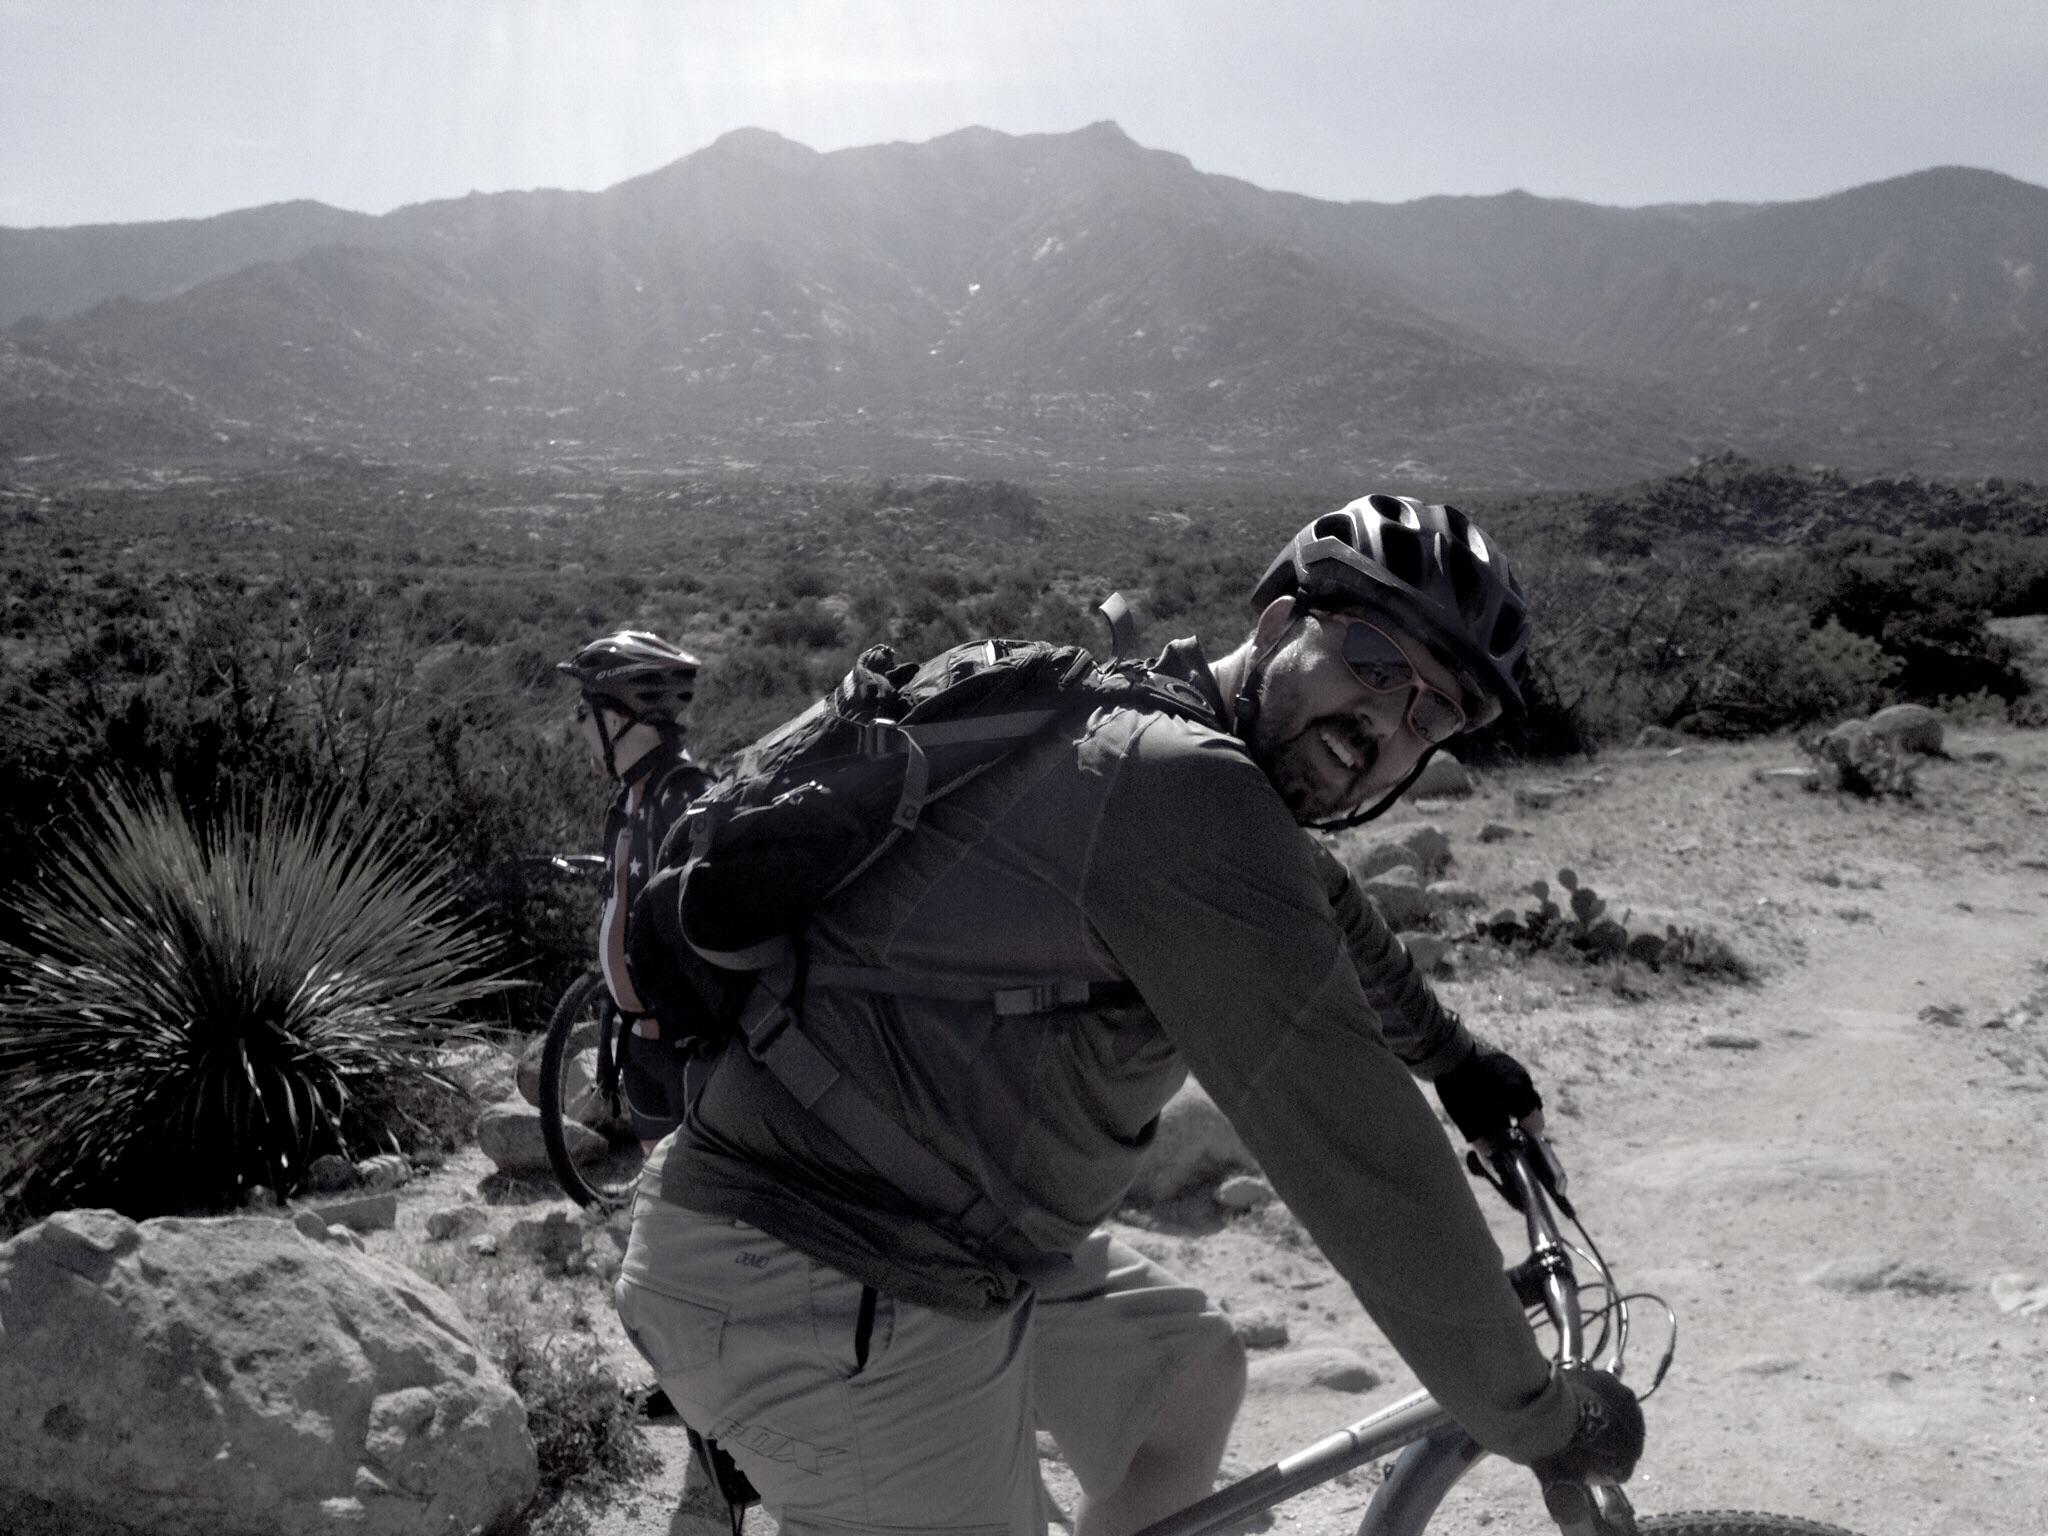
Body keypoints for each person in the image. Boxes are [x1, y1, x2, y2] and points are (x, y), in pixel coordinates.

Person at [615, 494, 1644, 1536]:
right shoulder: (1178, 788)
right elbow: (1360, 1155)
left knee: (1181, 1376)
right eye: (1372, 659)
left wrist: (1456, 1061)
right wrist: (1535, 1418)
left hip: (915, 1232)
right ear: (1281, 627)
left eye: (1434, 712)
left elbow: (1320, 902)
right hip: (812, 1265)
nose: (1387, 718)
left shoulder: (1178, 741)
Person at [557, 629, 714, 1150]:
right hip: (642, 1046)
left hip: (693, 1052)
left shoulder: (686, 796)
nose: (577, 726)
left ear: (619, 719)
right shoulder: (627, 802)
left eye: (584, 712)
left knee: (703, 1219)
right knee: (655, 1211)